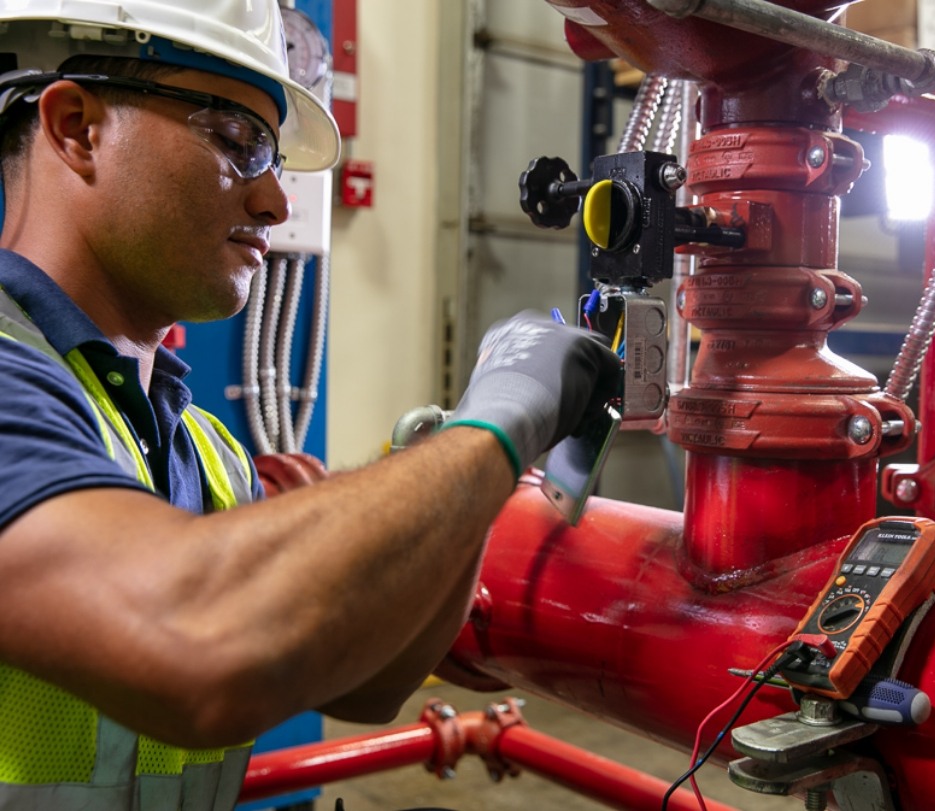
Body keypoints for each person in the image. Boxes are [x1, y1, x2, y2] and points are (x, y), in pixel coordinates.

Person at [0, 1, 622, 808]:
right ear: (78, 127)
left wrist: (476, 468)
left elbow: (370, 682)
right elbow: (198, 643)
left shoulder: (203, 448)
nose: (276, 205)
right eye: (238, 143)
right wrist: (494, 427)